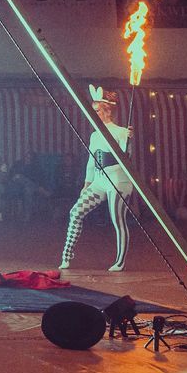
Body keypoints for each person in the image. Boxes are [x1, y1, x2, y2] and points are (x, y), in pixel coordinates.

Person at [58, 86, 134, 273]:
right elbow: (91, 162)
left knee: (118, 220)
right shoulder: (94, 135)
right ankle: (66, 257)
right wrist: (86, 185)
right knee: (75, 212)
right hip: (100, 181)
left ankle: (120, 261)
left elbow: (127, 155)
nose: (94, 114)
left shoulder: (121, 132)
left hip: (118, 180)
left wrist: (129, 138)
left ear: (107, 111)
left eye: (97, 110)